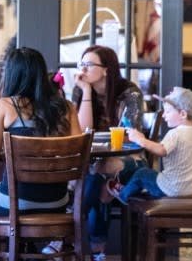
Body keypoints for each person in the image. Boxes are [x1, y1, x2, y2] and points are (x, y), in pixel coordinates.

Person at [0, 47, 81, 215]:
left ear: (11, 75)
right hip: (57, 201)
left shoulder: (4, 106)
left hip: (15, 203)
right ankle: (52, 241)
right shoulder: (67, 107)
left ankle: (13, 241)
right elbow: (79, 154)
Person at [71, 44, 145, 260]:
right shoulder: (81, 88)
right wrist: (85, 92)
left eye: (88, 65)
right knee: (99, 177)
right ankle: (99, 252)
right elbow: (82, 133)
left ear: (106, 70)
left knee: (100, 171)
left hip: (131, 160)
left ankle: (67, 232)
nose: (82, 70)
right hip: (96, 162)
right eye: (81, 64)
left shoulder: (129, 93)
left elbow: (131, 137)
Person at [106, 87, 192, 204]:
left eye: (167, 112)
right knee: (149, 175)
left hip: (172, 189)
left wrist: (141, 140)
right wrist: (143, 139)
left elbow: (162, 150)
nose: (163, 115)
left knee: (142, 174)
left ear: (182, 114)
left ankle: (124, 194)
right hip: (191, 188)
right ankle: (133, 190)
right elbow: (163, 147)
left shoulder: (176, 133)